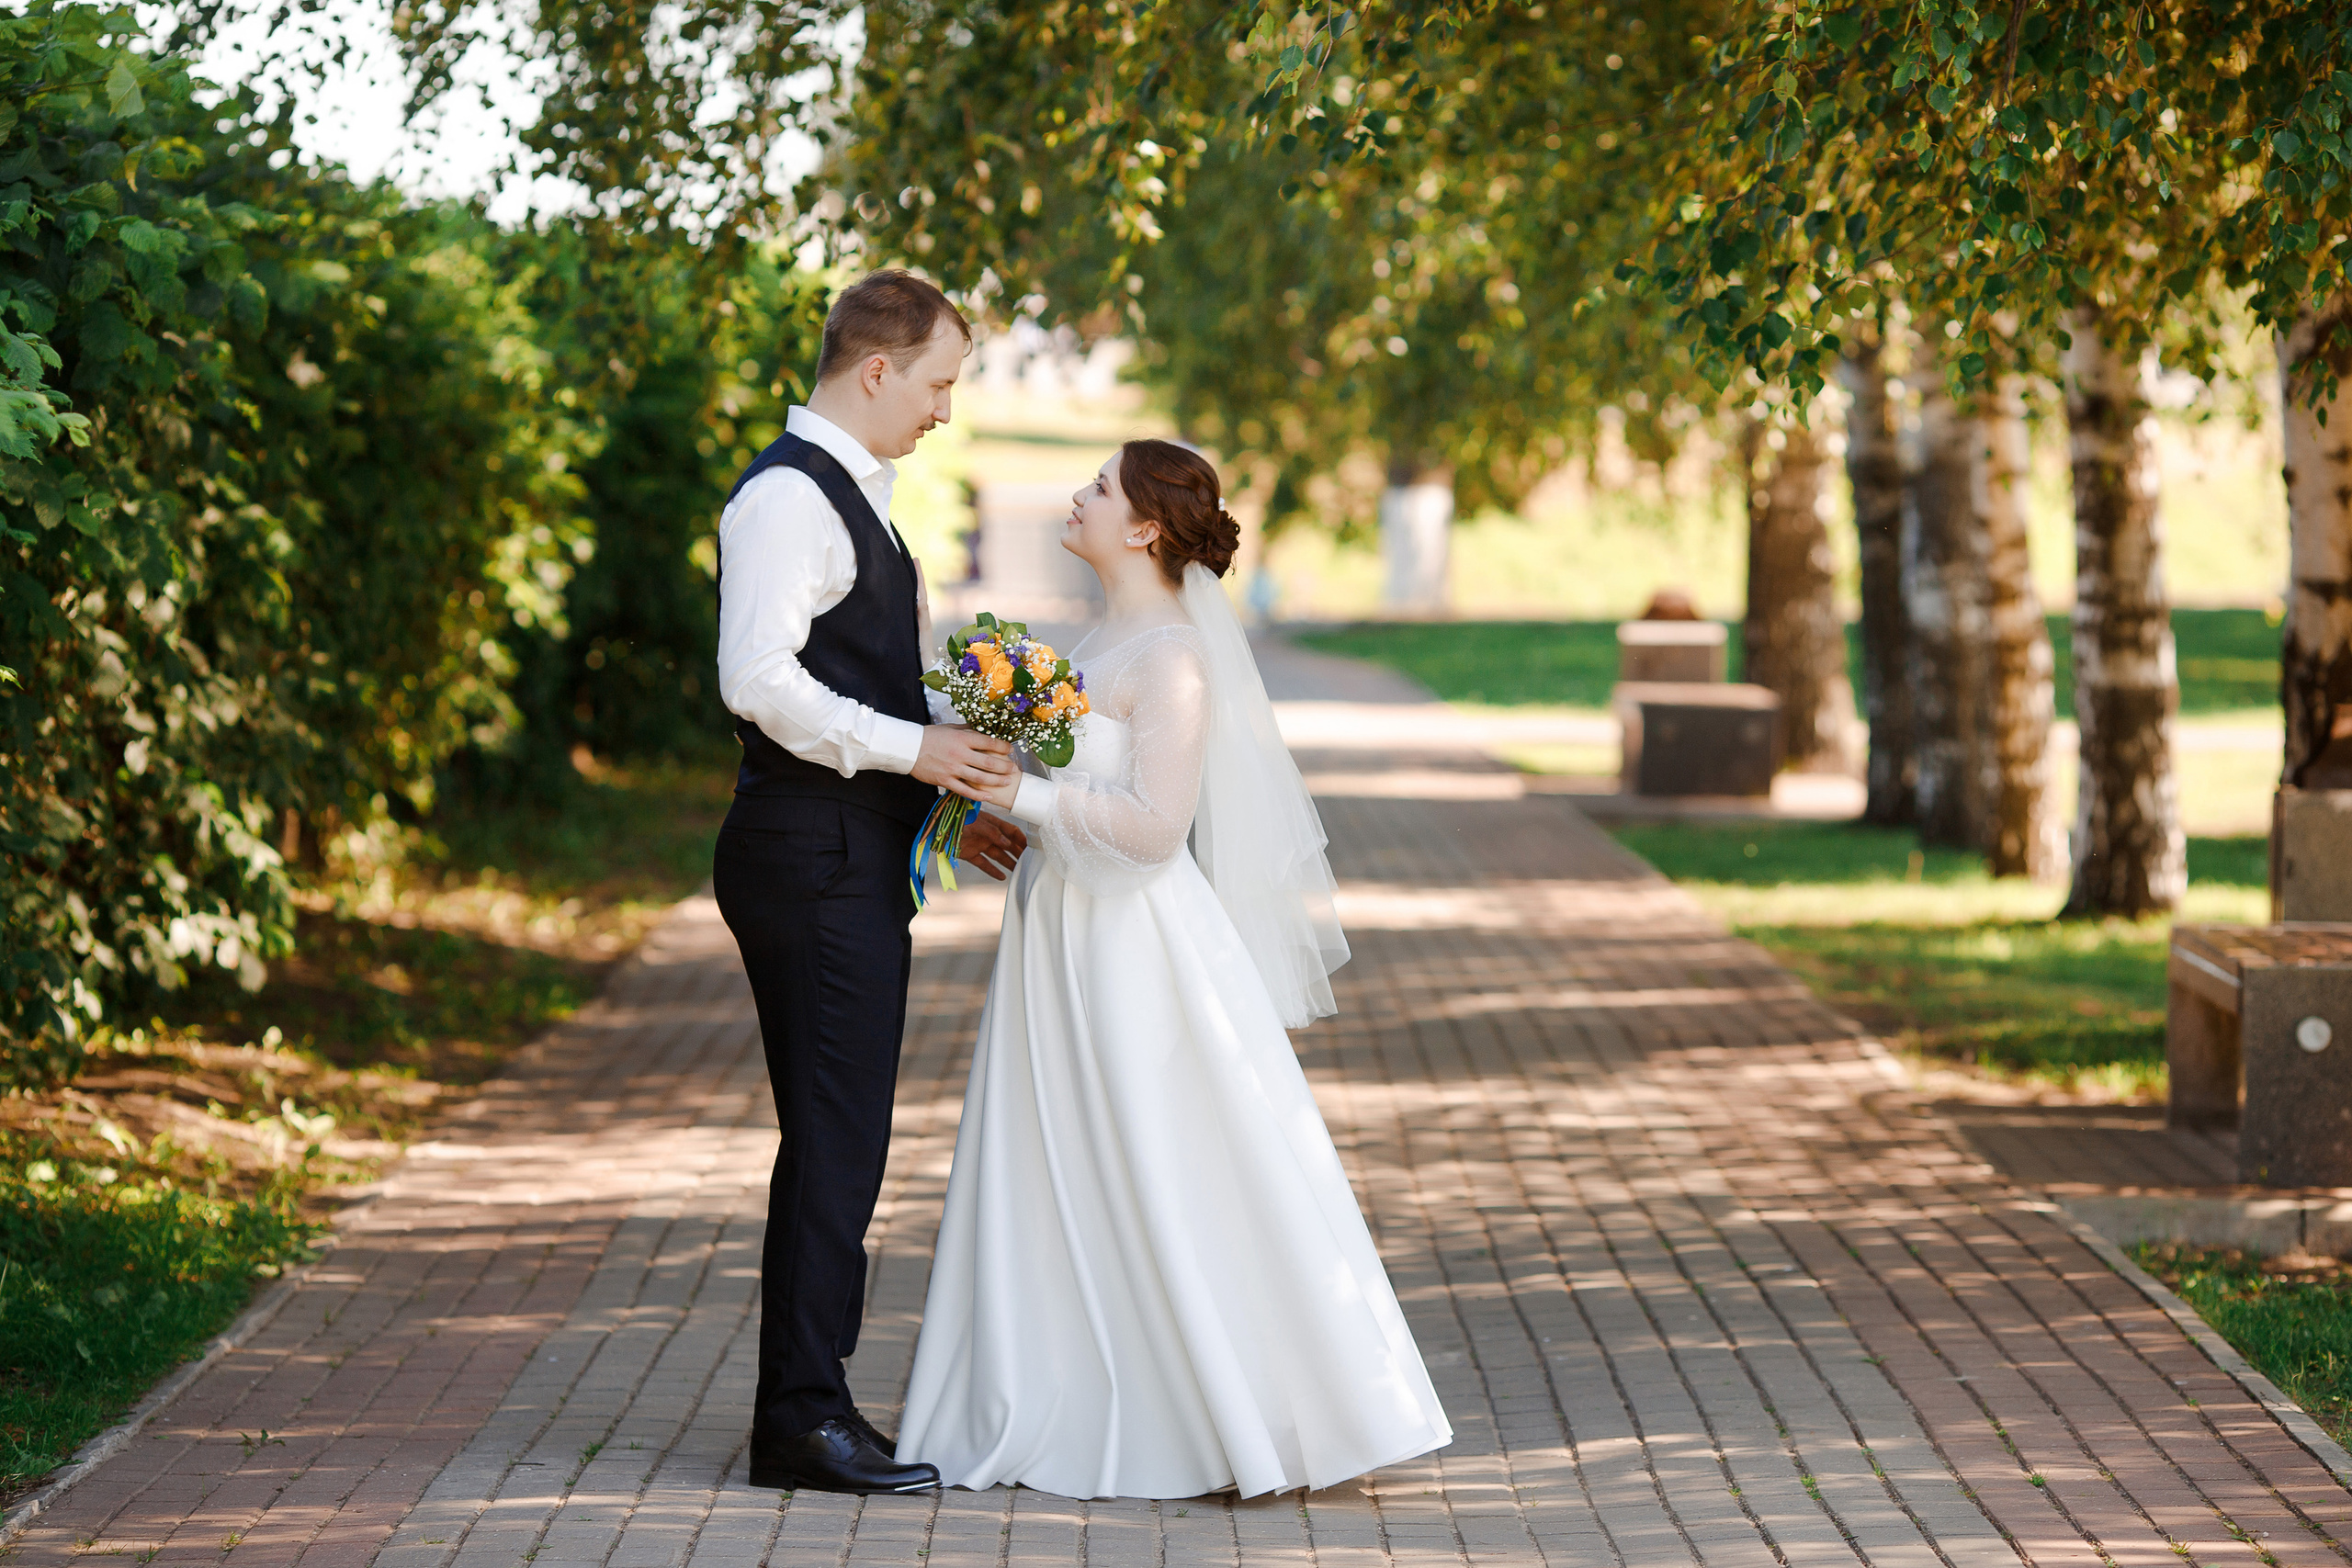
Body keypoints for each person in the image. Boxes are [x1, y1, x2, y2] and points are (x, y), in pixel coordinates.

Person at [898, 440, 1453, 1499]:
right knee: (1056, 1155)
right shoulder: (1098, 639)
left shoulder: (1172, 660)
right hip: (1058, 932)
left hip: (1135, 950)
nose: (1076, 497)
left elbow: (1155, 832)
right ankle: (1057, 1380)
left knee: (1160, 1156)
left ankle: (1208, 1409)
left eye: (1098, 489)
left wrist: (1024, 797)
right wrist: (985, 789)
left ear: (1147, 527)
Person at [712, 269, 1030, 1496]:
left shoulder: (853, 497)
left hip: (838, 848)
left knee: (836, 1141)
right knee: (838, 1145)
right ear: (877, 367)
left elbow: (861, 685)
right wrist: (917, 751)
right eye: (941, 380)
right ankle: (799, 1418)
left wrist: (946, 802)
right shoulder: (793, 497)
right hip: (807, 855)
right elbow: (759, 679)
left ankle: (811, 1401)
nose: (947, 407)